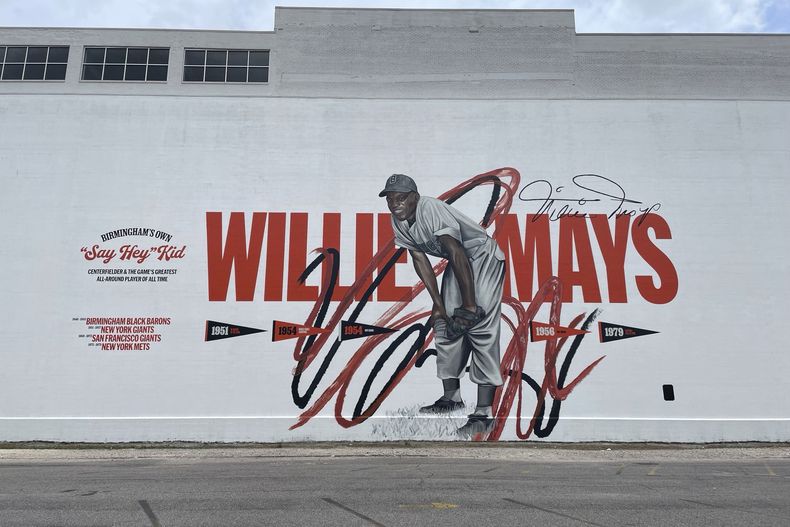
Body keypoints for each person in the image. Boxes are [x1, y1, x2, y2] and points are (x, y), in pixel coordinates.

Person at [379, 174, 506, 437]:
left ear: (415, 196)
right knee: (445, 323)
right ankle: (452, 398)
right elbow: (420, 260)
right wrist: (438, 304)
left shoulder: (430, 208)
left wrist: (470, 306)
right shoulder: (399, 219)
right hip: (458, 262)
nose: (395, 204)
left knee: (478, 327)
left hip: (481, 257)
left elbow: (458, 251)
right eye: (390, 199)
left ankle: (483, 413)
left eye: (401, 198)